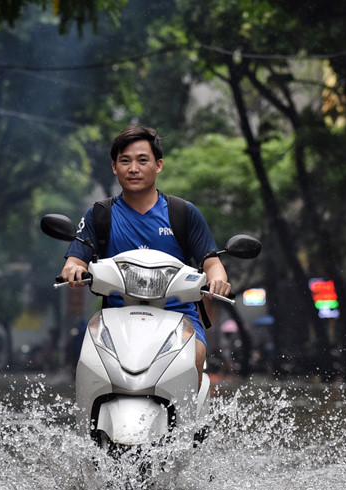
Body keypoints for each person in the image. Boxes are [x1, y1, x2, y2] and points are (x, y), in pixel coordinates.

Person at [60, 125, 231, 388]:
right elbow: (76, 259)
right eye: (125, 161)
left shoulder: (183, 213)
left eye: (143, 160)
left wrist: (218, 280)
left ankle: (190, 428)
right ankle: (91, 426)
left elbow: (211, 263)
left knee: (196, 355)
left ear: (158, 165)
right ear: (114, 167)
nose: (133, 168)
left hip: (178, 314)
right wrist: (72, 268)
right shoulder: (99, 215)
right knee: (89, 362)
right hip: (116, 316)